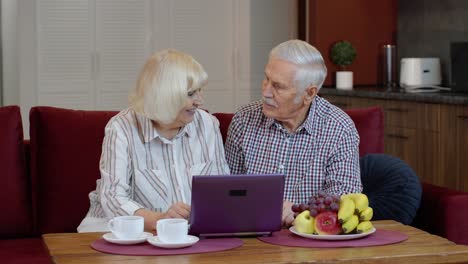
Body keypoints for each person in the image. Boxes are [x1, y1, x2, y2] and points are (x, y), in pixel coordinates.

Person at [78, 49, 230, 232]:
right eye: (191, 94)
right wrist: (160, 220)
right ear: (166, 96)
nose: (200, 100)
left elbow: (223, 189)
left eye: (200, 91)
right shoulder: (121, 128)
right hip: (127, 231)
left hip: (189, 233)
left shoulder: (208, 125)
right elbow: (113, 198)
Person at [225, 40, 362, 227]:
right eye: (266, 79)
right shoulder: (244, 120)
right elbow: (227, 191)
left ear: (309, 93)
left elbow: (345, 199)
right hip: (252, 236)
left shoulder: (339, 129)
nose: (265, 92)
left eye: (278, 86)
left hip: (312, 241)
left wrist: (302, 210)